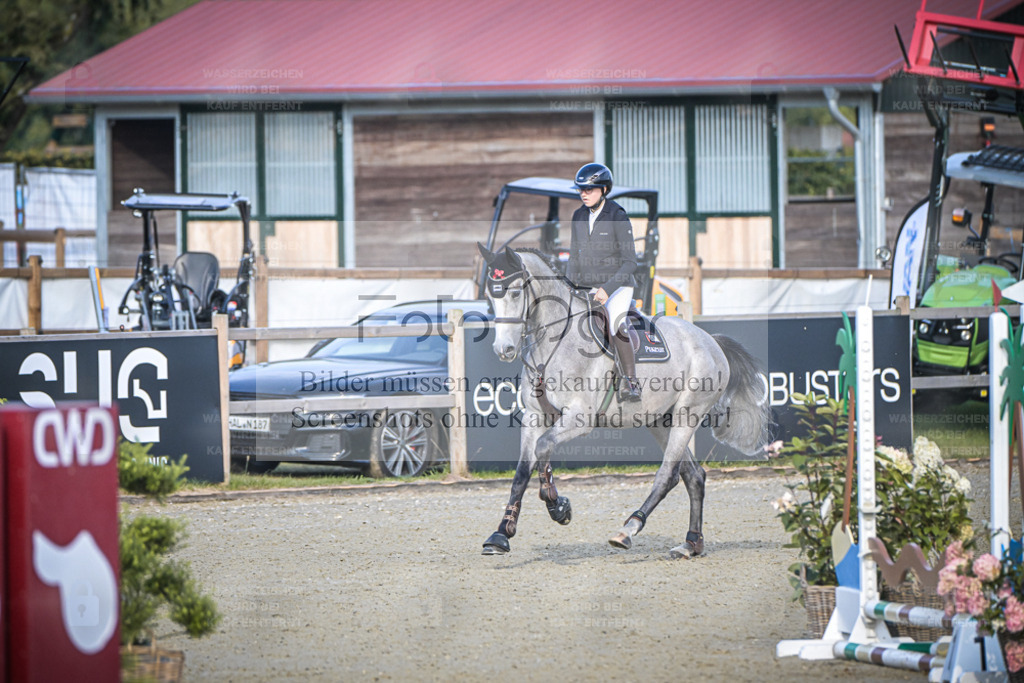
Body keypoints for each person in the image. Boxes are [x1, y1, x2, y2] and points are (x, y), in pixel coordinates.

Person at [566, 162, 641, 402]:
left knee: (616, 323)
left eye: (590, 189)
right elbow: (573, 257)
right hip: (587, 287)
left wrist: (607, 289)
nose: (584, 194)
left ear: (604, 190)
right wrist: (567, 286)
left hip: (617, 287)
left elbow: (630, 262)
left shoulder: (617, 216)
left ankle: (631, 382)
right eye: (581, 190)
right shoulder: (578, 216)